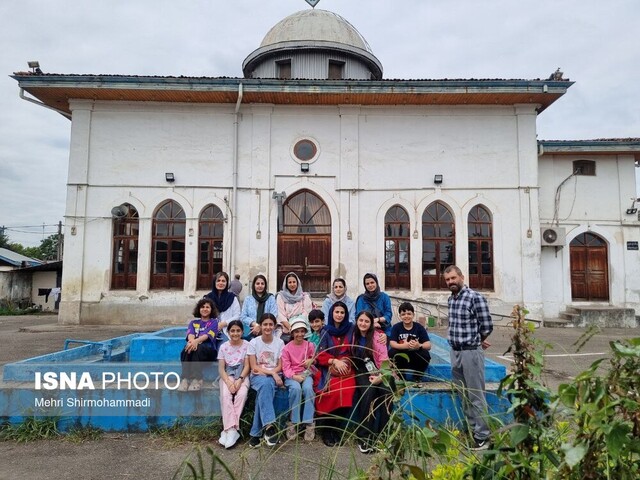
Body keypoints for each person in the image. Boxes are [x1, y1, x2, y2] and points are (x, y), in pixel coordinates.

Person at [443, 265, 493, 451]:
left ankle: (483, 437)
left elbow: (487, 325)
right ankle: (474, 431)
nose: (451, 282)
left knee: (476, 394)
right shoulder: (451, 299)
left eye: (454, 278)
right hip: (454, 352)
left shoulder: (475, 297)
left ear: (462, 277)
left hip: (470, 352)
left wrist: (477, 340)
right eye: (448, 280)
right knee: (463, 394)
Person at [314, 301, 357, 447]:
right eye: (336, 312)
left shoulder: (351, 328)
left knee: (347, 390)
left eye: (342, 312)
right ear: (332, 313)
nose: (339, 315)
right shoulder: (325, 331)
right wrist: (333, 361)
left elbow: (357, 345)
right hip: (329, 368)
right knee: (329, 391)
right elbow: (320, 354)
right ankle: (327, 429)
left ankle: (336, 428)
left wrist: (345, 361)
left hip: (346, 369)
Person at [350, 310, 393, 453]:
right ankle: (364, 436)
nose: (363, 323)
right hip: (361, 370)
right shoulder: (353, 334)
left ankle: (383, 437)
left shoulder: (377, 337)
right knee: (368, 392)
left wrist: (380, 377)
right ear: (357, 321)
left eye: (366, 321)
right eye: (361, 320)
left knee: (386, 393)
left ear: (371, 324)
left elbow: (385, 362)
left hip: (381, 371)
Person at [247, 313, 285, 448]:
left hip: (272, 376)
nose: (268, 327)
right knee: (265, 384)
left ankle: (255, 434)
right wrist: (273, 373)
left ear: (274, 326)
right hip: (258, 376)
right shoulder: (254, 342)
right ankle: (270, 426)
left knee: (264, 391)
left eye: (270, 324)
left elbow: (281, 364)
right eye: (265, 324)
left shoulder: (280, 342)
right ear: (260, 326)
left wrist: (274, 373)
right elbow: (254, 366)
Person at [281, 316, 316, 442]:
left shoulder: (310, 345)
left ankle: (309, 422)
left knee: (308, 389)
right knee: (295, 390)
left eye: (302, 331)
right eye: (297, 331)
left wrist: (311, 361)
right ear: (292, 333)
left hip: (306, 373)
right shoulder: (286, 348)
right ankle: (293, 422)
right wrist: (294, 377)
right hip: (292, 375)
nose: (300, 334)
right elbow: (285, 367)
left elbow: (314, 360)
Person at [217, 319, 250, 449]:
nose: (235, 333)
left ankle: (228, 429)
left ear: (242, 332)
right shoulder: (224, 347)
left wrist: (240, 379)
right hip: (227, 376)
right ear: (228, 332)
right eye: (232, 331)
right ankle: (232, 429)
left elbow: (247, 366)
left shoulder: (247, 345)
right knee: (225, 395)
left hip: (242, 374)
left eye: (238, 331)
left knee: (241, 394)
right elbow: (221, 369)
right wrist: (228, 382)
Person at [178, 298, 219, 392]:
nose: (205, 309)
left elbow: (207, 335)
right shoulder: (193, 323)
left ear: (211, 310)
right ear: (199, 309)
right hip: (195, 350)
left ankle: (198, 379)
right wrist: (192, 342)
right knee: (186, 349)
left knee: (197, 348)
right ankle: (185, 379)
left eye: (207, 307)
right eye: (202, 307)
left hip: (209, 353)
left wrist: (195, 342)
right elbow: (190, 335)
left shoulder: (214, 322)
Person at [389, 302, 431, 382]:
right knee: (392, 352)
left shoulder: (419, 327)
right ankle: (401, 376)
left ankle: (417, 376)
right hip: (402, 357)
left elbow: (428, 345)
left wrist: (419, 345)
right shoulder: (396, 327)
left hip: (414, 356)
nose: (406, 316)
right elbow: (392, 343)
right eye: (403, 314)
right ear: (400, 316)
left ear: (413, 315)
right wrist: (405, 346)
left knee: (425, 354)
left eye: (409, 313)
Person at [276, 272, 313, 341]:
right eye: (290, 282)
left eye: (294, 282)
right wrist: (290, 327)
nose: (292, 284)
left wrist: (297, 325)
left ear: (297, 283)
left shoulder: (304, 297)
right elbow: (280, 314)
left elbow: (307, 313)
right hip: (286, 327)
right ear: (286, 284)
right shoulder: (280, 296)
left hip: (302, 326)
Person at [205, 272, 241, 341]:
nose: (221, 283)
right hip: (209, 331)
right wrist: (214, 325)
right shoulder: (208, 298)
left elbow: (237, 316)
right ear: (214, 282)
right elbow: (204, 316)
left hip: (227, 331)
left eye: (223, 281)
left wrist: (224, 324)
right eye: (218, 280)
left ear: (227, 283)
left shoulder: (232, 298)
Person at [241, 274, 278, 338]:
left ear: (265, 285)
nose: (260, 286)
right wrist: (255, 325)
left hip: (267, 331)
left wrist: (262, 327)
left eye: (262, 284)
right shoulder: (248, 299)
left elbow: (274, 315)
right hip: (251, 331)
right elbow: (243, 316)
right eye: (257, 283)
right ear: (254, 285)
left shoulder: (271, 298)